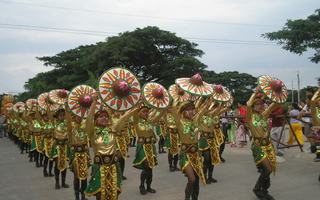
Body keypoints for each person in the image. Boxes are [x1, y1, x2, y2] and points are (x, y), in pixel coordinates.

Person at [84, 91, 137, 200]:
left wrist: (137, 104)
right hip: (99, 167)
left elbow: (125, 117)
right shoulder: (92, 132)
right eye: (101, 117)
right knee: (100, 195)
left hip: (113, 167)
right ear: (95, 120)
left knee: (114, 194)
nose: (104, 118)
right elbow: (89, 119)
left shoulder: (113, 130)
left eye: (106, 116)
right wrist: (94, 102)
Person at [171, 95, 209, 200]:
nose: (191, 112)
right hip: (186, 155)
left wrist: (207, 100)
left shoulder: (195, 120)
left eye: (193, 109)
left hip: (196, 155)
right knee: (191, 179)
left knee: (196, 180)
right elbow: (174, 108)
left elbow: (203, 109)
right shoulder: (180, 122)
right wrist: (177, 95)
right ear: (183, 111)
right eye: (188, 110)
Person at [246, 85, 279, 200]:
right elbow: (248, 104)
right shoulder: (250, 117)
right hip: (258, 146)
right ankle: (257, 189)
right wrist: (256, 92)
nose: (260, 106)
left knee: (268, 170)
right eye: (257, 104)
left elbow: (274, 106)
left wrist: (278, 94)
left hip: (268, 145)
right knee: (268, 169)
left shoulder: (264, 115)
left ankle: (264, 191)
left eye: (261, 104)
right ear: (253, 106)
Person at [132, 104, 163, 195]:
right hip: (141, 147)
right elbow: (134, 112)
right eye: (143, 112)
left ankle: (148, 186)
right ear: (139, 114)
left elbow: (160, 116)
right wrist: (138, 102)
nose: (145, 113)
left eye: (146, 111)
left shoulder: (150, 121)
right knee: (146, 166)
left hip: (150, 147)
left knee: (150, 167)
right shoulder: (137, 121)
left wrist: (164, 107)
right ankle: (141, 185)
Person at [198, 98, 224, 184]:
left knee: (212, 159)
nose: (206, 110)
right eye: (204, 109)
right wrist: (206, 103)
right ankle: (204, 176)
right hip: (204, 141)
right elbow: (200, 110)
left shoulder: (211, 116)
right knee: (207, 159)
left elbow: (218, 110)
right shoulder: (199, 118)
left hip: (212, 140)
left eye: (207, 109)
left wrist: (222, 103)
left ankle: (210, 176)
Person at [68, 114, 91, 200]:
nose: (79, 118)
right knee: (76, 176)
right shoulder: (71, 126)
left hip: (84, 154)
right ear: (73, 117)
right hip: (75, 155)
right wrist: (67, 108)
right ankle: (77, 195)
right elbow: (67, 117)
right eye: (77, 116)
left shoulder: (85, 126)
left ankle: (83, 195)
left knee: (84, 176)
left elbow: (90, 118)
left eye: (81, 116)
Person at [49, 106, 71, 190]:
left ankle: (63, 182)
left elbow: (69, 117)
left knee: (64, 165)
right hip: (57, 147)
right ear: (57, 117)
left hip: (65, 146)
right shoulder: (54, 123)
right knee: (57, 164)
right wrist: (49, 105)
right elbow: (49, 114)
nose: (62, 117)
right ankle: (57, 182)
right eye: (60, 115)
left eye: (63, 115)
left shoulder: (67, 124)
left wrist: (66, 107)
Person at [163, 106, 180, 172]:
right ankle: (170, 166)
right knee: (170, 151)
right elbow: (163, 110)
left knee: (176, 150)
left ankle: (175, 165)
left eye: (172, 108)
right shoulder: (166, 115)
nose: (171, 109)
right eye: (169, 108)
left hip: (176, 135)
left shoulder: (176, 115)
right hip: (170, 135)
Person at [310, 88, 320, 162]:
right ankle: (318, 155)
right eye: (318, 101)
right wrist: (318, 91)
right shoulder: (315, 112)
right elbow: (312, 100)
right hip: (318, 130)